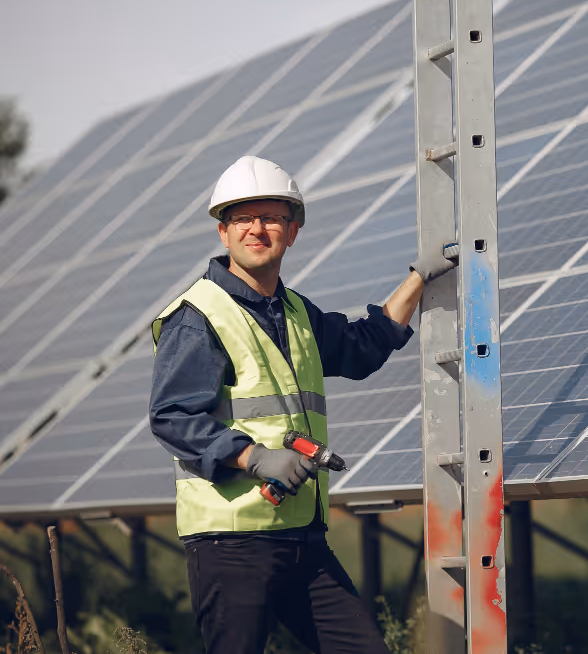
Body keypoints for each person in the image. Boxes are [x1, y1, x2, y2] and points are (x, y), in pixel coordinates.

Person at [148, 155, 455, 654]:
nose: (257, 229)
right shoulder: (199, 315)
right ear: (223, 233)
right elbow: (173, 416)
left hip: (300, 537)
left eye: (271, 217)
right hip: (233, 540)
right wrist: (256, 457)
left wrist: (420, 276)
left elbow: (362, 347)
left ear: (292, 232)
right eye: (242, 218)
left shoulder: (294, 312)